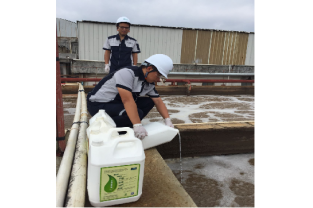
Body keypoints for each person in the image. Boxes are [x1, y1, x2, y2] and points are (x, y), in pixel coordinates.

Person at [87, 54, 175, 140]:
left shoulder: (148, 83)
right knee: (137, 113)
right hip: (99, 104)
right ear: (149, 69)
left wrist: (167, 120)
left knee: (149, 102)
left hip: (117, 103)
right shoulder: (127, 73)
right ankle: (118, 132)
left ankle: (127, 125)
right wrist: (137, 124)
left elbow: (158, 101)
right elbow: (127, 100)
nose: (159, 79)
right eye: (158, 75)